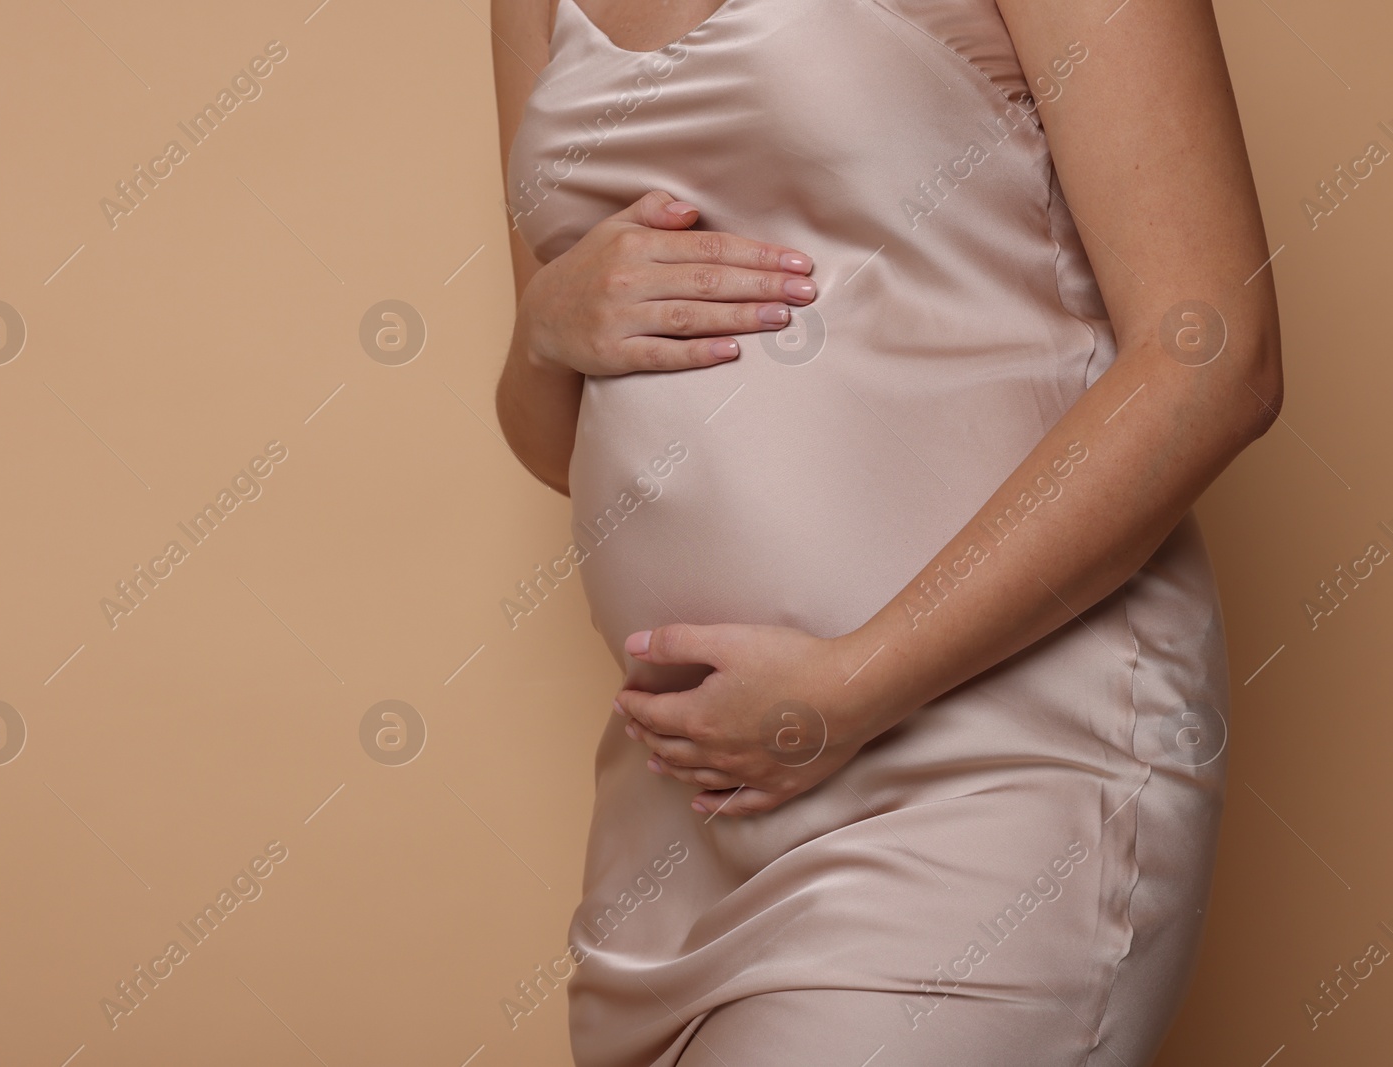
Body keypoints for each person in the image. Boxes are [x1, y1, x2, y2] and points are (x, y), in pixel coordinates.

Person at [490, 0, 1281, 1063]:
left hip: (990, 746)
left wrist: (855, 682)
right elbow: (561, 443)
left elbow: (1213, 356)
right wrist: (544, 334)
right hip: (683, 808)